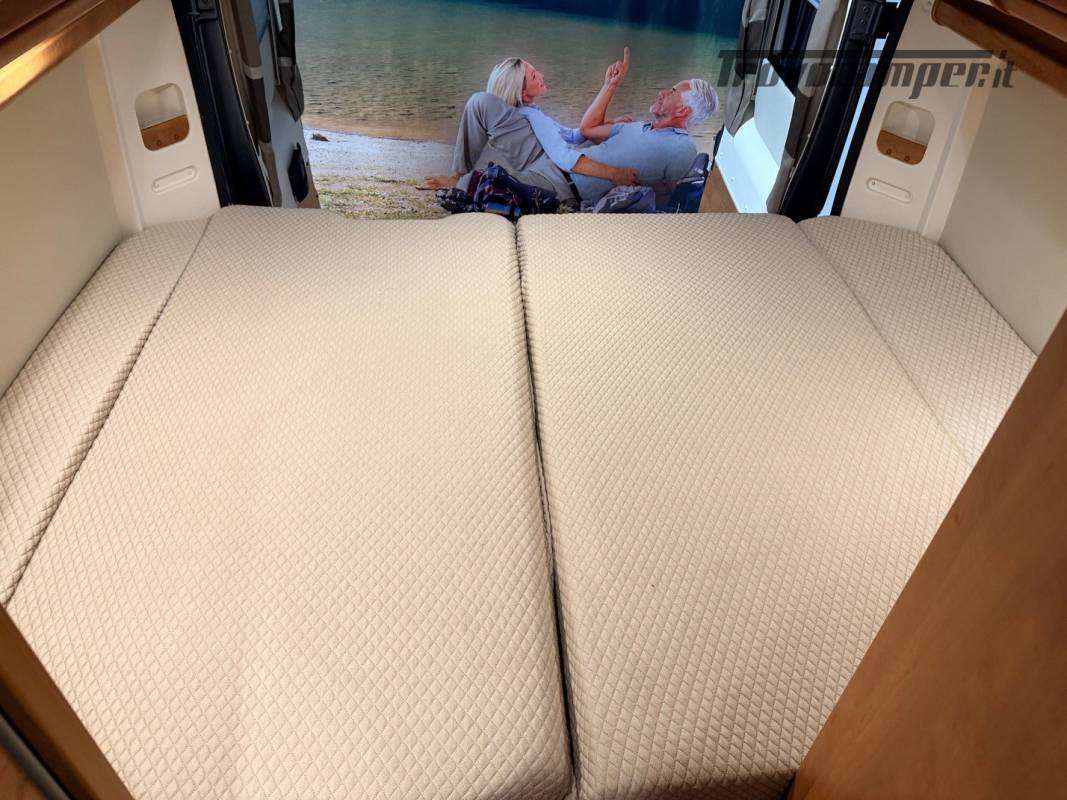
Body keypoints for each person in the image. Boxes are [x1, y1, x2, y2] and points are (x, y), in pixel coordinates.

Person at [425, 58, 638, 199]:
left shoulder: (532, 114)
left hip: (551, 177)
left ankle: (460, 177)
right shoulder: (527, 115)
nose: (541, 75)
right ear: (522, 92)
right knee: (480, 101)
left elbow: (572, 136)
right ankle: (460, 177)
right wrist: (613, 174)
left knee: (480, 104)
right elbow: (564, 155)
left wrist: (609, 123)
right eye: (534, 76)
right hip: (552, 172)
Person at [550, 47, 718, 205]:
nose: (662, 93)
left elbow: (671, 202)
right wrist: (610, 85)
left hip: (562, 188)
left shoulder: (682, 147)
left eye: (673, 92)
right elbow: (587, 129)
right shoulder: (638, 125)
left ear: (682, 110)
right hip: (557, 164)